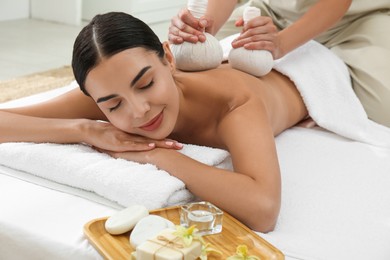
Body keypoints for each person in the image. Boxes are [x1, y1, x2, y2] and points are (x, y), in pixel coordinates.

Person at [0, 12, 309, 232]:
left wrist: (155, 154)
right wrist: (85, 129)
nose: (138, 111)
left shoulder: (234, 104)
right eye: (113, 104)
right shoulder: (105, 96)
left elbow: (263, 209)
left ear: (168, 58)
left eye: (146, 84)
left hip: (302, 67)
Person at [169, 0, 390, 127]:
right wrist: (202, 30)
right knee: (177, 64)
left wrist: (281, 44)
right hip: (272, 11)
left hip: (355, 18)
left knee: (383, 111)